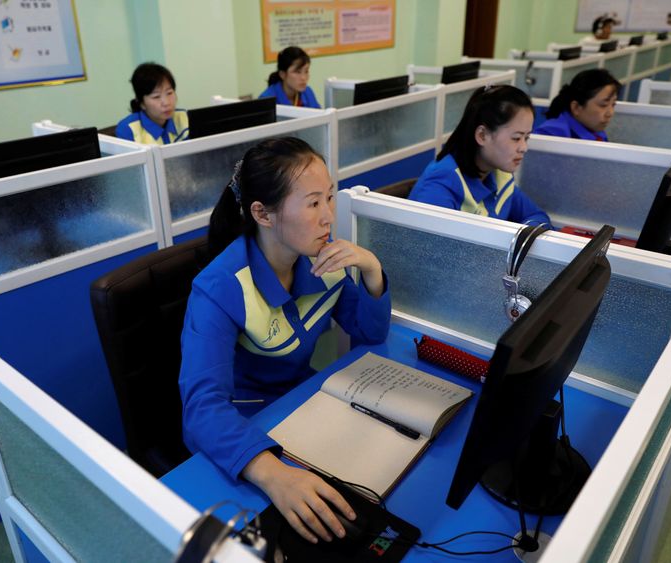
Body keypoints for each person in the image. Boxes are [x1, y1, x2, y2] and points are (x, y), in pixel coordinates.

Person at [178, 137, 390, 543]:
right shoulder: (219, 288)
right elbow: (202, 409)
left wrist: (372, 269)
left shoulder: (321, 260)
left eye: (329, 198)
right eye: (313, 203)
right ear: (263, 213)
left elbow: (370, 334)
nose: (329, 216)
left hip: (301, 408)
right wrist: (273, 475)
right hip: (244, 428)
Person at [408, 85, 550, 226]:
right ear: (482, 135)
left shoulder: (499, 173)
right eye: (516, 138)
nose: (524, 148)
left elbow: (536, 216)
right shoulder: (439, 187)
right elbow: (439, 248)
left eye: (526, 138)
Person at [534, 69, 620, 142]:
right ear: (576, 108)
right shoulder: (552, 135)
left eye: (613, 104)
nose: (610, 113)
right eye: (603, 105)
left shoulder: (595, 130)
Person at [115, 62, 189, 144]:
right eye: (156, 97)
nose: (166, 102)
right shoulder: (128, 130)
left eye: (169, 93)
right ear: (141, 103)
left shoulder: (185, 118)